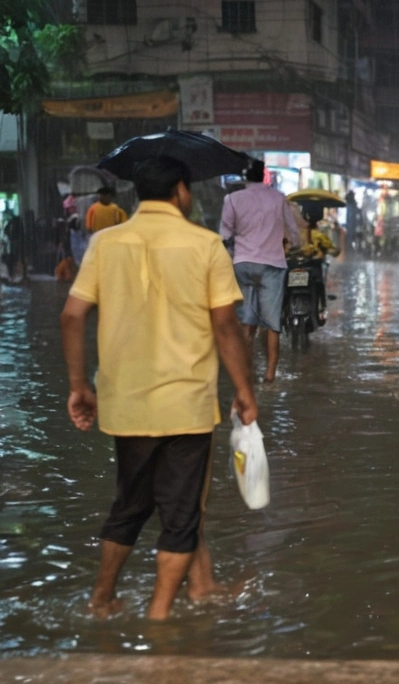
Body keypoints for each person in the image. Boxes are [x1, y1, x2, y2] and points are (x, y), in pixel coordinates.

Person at [59, 155, 257, 621]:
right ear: (181, 192)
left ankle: (101, 600)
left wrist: (78, 386)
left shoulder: (105, 243)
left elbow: (71, 316)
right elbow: (226, 327)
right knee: (183, 512)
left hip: (125, 402)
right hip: (186, 404)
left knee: (129, 505)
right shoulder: (206, 245)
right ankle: (160, 616)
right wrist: (244, 390)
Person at [219, 160, 299, 383]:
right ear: (264, 175)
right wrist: (297, 244)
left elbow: (224, 234)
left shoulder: (232, 199)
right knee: (272, 323)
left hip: (243, 264)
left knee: (248, 319)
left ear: (245, 178)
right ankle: (270, 373)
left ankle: (245, 371)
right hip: (272, 265)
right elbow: (292, 229)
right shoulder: (278, 197)